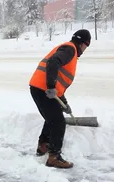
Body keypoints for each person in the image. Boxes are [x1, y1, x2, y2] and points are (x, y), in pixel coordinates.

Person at [29, 29, 91, 169]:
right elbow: (53, 62)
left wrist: (64, 104)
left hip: (40, 88)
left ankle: (43, 146)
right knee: (58, 122)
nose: (85, 50)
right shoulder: (70, 50)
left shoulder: (69, 50)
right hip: (44, 89)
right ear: (83, 44)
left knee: (52, 118)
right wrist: (50, 86)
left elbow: (59, 82)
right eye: (86, 46)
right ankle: (54, 157)